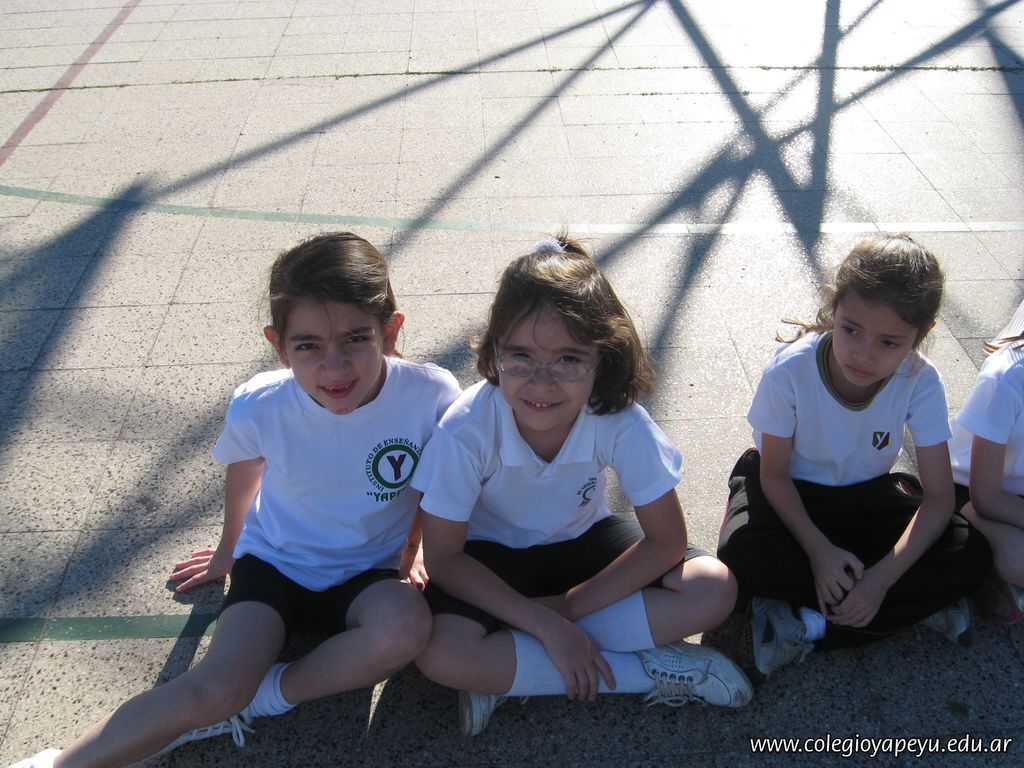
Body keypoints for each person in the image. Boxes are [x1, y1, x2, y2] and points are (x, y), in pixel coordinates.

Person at [12, 232, 460, 768]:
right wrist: (229, 549)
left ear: (390, 331)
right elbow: (244, 471)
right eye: (308, 345)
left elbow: (433, 485)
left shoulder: (431, 393)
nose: (335, 367)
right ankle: (61, 762)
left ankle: (264, 696)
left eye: (355, 339)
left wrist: (414, 551)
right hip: (274, 565)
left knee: (406, 630)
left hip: (369, 572)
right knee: (215, 687)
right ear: (278, 345)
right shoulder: (261, 403)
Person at [411, 234, 752, 738]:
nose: (542, 382)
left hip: (584, 543)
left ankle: (511, 669)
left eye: (569, 359)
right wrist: (546, 624)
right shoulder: (466, 429)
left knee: (712, 587)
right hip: (491, 558)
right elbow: (445, 559)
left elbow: (666, 541)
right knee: (441, 652)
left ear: (603, 357)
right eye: (520, 356)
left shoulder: (617, 418)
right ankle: (654, 670)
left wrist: (565, 610)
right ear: (494, 351)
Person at [717, 233, 991, 679]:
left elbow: (940, 497)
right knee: (740, 554)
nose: (864, 354)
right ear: (834, 309)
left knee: (972, 551)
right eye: (851, 330)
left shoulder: (921, 380)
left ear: (921, 335)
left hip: (866, 497)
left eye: (889, 342)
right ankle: (906, 610)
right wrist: (819, 551)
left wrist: (881, 578)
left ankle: (804, 622)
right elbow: (775, 476)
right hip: (790, 495)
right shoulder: (790, 370)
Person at [949, 298, 1024, 623]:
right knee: (1017, 558)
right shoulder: (1006, 379)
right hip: (972, 492)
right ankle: (983, 563)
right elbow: (987, 495)